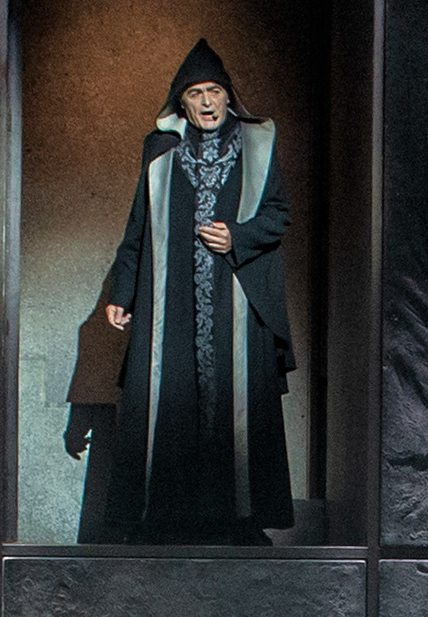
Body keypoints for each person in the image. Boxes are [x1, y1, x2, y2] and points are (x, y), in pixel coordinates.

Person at [77, 39, 295, 544]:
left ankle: (239, 522)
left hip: (234, 299)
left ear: (228, 95)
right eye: (195, 93)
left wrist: (238, 236)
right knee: (172, 406)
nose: (207, 102)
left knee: (233, 409)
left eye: (214, 91)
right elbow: (138, 228)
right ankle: (165, 519)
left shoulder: (258, 145)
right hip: (171, 304)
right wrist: (122, 293)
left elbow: (278, 214)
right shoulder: (162, 151)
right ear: (182, 102)